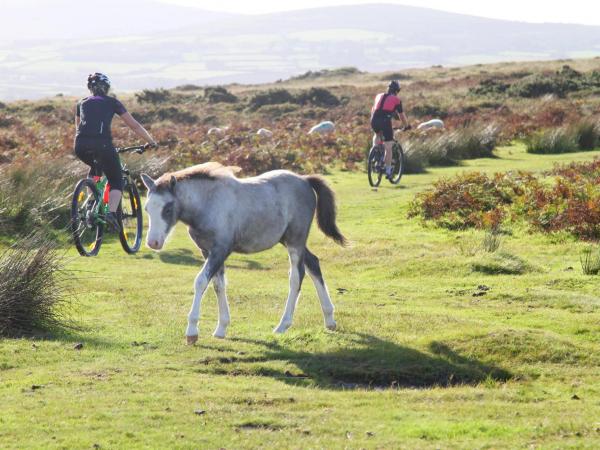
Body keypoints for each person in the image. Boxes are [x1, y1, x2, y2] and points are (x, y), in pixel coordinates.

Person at [74, 73, 156, 230]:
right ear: (107, 87)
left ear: (90, 88)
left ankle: (92, 201)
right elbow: (134, 126)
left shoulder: (81, 103)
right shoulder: (112, 102)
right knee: (115, 179)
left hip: (80, 146)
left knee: (95, 168)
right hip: (103, 145)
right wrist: (150, 141)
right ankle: (111, 212)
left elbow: (77, 128)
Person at [370, 80, 411, 179]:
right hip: (385, 121)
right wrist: (406, 126)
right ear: (397, 91)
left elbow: (373, 109)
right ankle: (388, 171)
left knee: (377, 134)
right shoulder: (396, 100)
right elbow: (401, 115)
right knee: (388, 145)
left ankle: (375, 153)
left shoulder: (378, 96)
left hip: (374, 119)